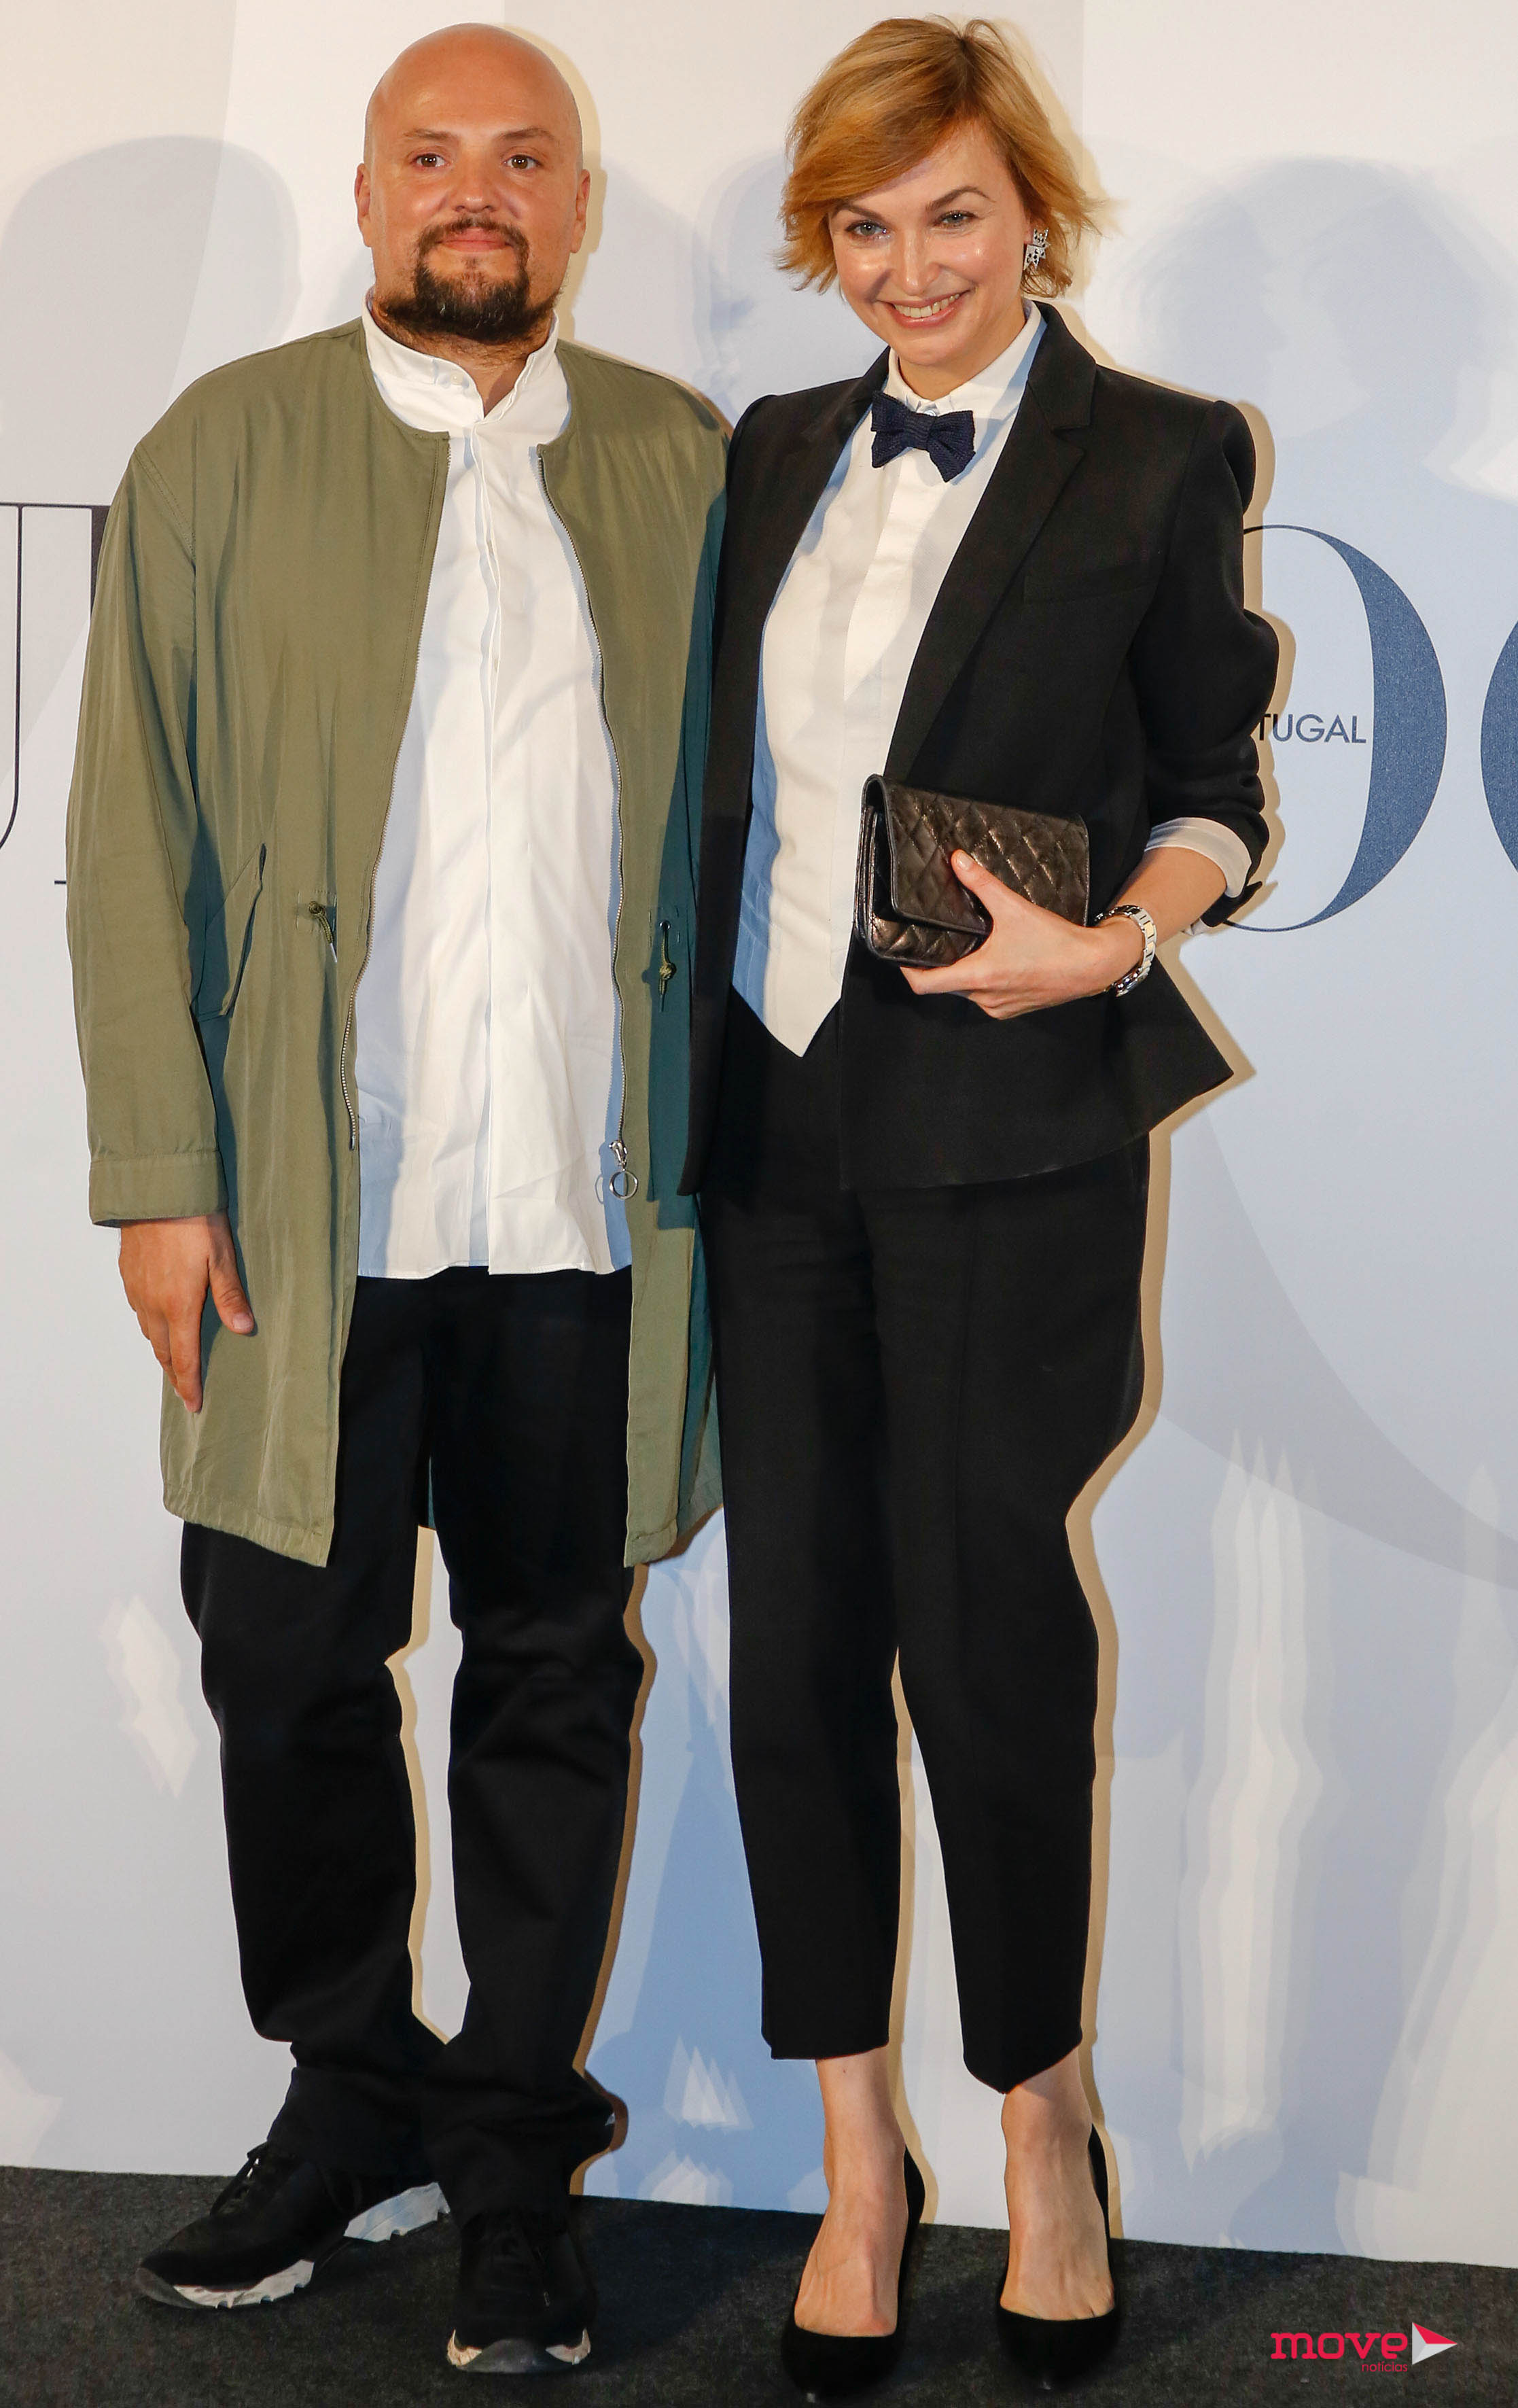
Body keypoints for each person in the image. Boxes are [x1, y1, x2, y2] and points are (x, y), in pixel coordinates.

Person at [66, 24, 723, 2376]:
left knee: (552, 1679)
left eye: (522, 157)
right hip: (298, 1215)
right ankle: (348, 2094)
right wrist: (161, 1176)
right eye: (431, 155)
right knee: (285, 1672)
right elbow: (128, 834)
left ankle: (517, 2157)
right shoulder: (221, 446)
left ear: (576, 203)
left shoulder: (677, 461)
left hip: (578, 1218)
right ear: (364, 197)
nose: (478, 191)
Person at [683, 17, 1278, 2394]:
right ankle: (856, 2156)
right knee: (796, 1647)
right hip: (770, 1125)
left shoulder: (1155, 452)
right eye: (863, 225)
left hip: (1009, 1128)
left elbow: (1217, 783)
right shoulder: (765, 448)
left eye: (951, 214)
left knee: (986, 1639)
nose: (908, 267)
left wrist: (1112, 940)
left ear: (1034, 212)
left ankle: (1040, 2126)